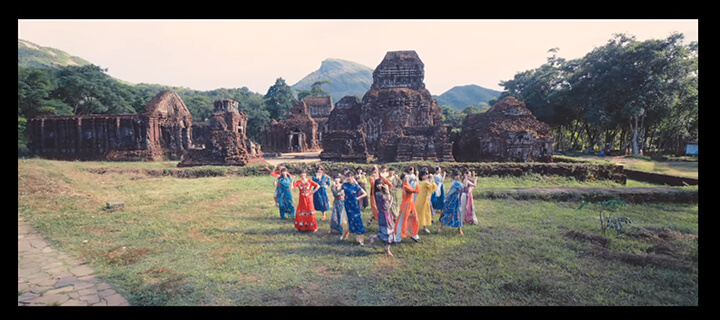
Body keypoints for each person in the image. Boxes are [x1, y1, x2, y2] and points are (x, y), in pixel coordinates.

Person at [369, 178, 396, 256]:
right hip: (383, 216)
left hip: (388, 214)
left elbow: (389, 204)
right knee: (384, 233)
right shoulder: (378, 194)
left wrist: (390, 202)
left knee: (391, 232)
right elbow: (388, 198)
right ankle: (373, 237)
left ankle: (387, 249)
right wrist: (387, 191)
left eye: (381, 184)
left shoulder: (383, 192)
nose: (379, 186)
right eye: (377, 184)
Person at [343, 172, 368, 245]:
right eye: (347, 177)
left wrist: (357, 198)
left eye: (350, 177)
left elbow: (365, 193)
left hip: (354, 205)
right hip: (347, 205)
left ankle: (361, 240)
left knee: (357, 221)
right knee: (351, 221)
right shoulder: (344, 185)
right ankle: (354, 239)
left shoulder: (356, 186)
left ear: (353, 177)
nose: (349, 178)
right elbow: (338, 190)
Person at [394, 173, 420, 243]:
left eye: (408, 177)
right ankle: (398, 237)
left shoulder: (408, 185)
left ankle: (414, 234)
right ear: (402, 180)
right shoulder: (405, 186)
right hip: (406, 205)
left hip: (411, 204)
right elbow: (416, 191)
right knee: (402, 221)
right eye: (405, 178)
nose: (407, 179)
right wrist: (417, 182)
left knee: (414, 219)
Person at [439, 169, 464, 236]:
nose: (457, 176)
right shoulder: (456, 183)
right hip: (451, 200)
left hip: (455, 200)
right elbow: (463, 187)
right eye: (456, 175)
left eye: (458, 175)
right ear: (453, 176)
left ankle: (459, 229)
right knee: (447, 213)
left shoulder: (456, 182)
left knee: (457, 213)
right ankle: (441, 227)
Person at [416, 170, 437, 234]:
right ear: (422, 177)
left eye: (426, 174)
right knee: (421, 213)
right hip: (422, 200)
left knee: (425, 213)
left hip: (425, 199)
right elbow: (431, 188)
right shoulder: (425, 182)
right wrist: (432, 179)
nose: (426, 176)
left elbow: (433, 188)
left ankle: (424, 227)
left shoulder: (426, 182)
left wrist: (432, 180)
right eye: (424, 175)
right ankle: (415, 228)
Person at [329, 174, 349, 240]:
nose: (336, 179)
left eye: (338, 178)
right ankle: (333, 228)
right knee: (334, 216)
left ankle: (343, 229)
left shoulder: (343, 185)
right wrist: (339, 188)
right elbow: (335, 193)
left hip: (342, 202)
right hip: (336, 202)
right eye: (335, 178)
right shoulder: (333, 186)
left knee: (342, 216)